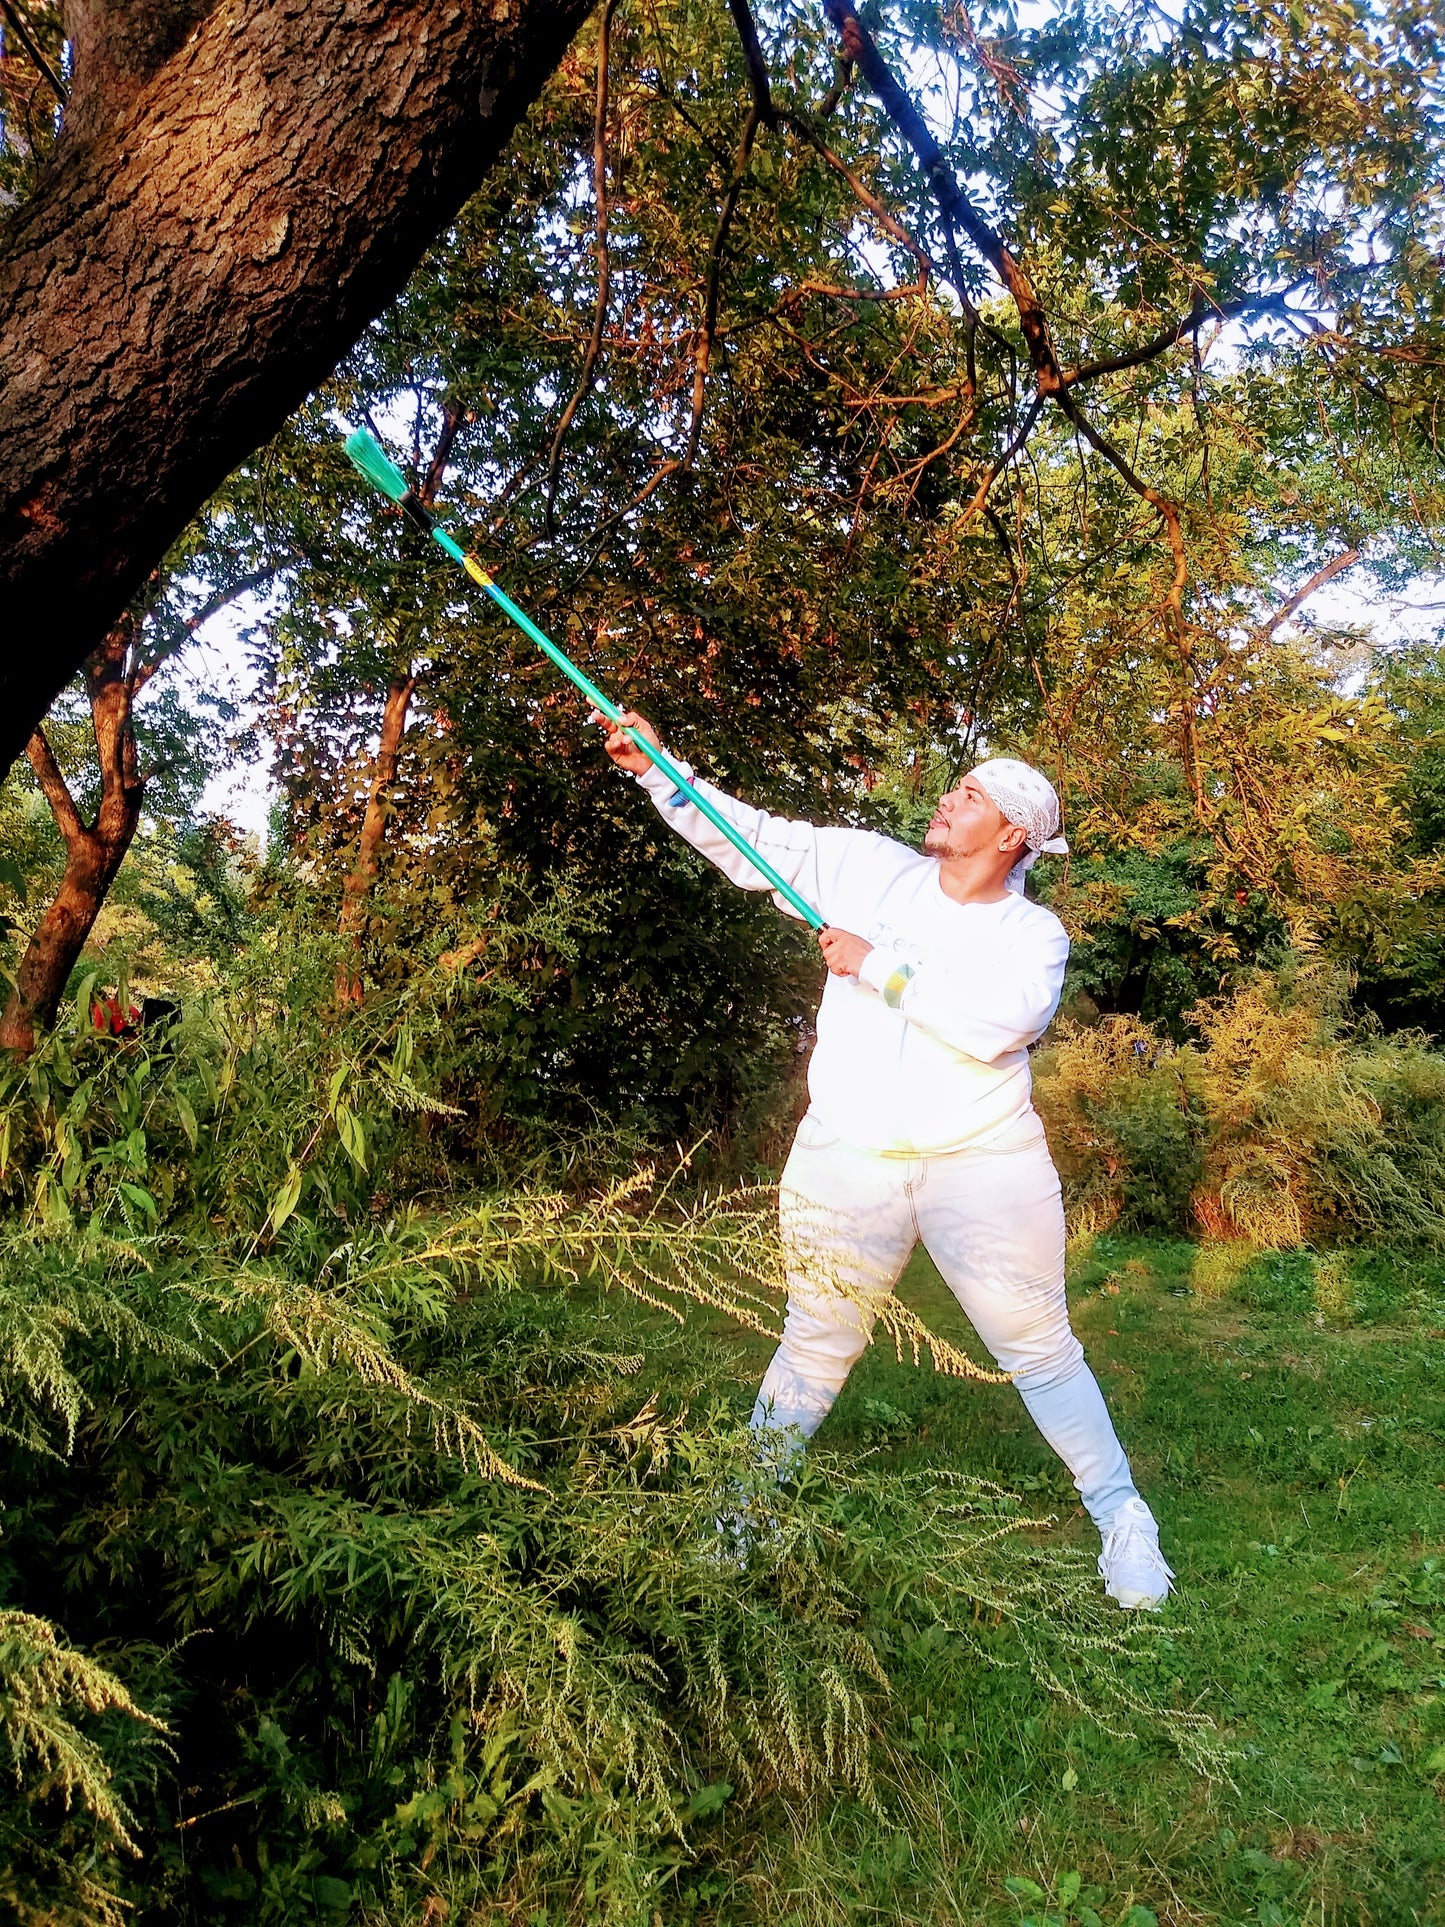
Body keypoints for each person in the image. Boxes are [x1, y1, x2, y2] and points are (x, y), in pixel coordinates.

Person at [592, 708, 1174, 1610]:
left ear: (1013, 834)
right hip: (845, 1156)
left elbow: (999, 1026)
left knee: (1038, 1348)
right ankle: (740, 1512)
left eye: (970, 793)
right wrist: (658, 768)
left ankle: (1120, 1514)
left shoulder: (1034, 937)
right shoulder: (868, 868)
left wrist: (878, 968)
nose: (947, 796)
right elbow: (750, 838)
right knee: (813, 1343)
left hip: (982, 1162)